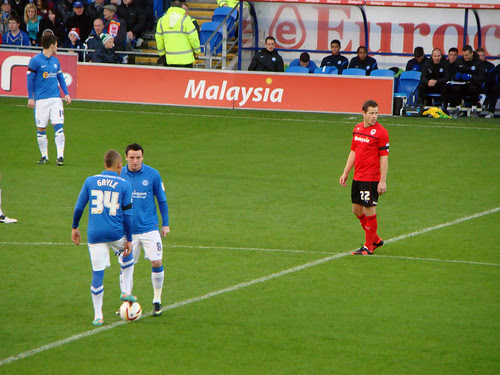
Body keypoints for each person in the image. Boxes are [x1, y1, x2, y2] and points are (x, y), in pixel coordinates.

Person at [72, 150, 137, 326]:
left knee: (97, 274)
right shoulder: (124, 185)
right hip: (116, 233)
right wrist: (129, 239)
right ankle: (125, 291)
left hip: (95, 234)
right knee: (127, 256)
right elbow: (127, 216)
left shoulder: (90, 181)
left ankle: (98, 315)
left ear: (104, 165)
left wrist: (75, 227)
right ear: (118, 166)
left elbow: (79, 207)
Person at [121, 143, 169, 316]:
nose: (135, 161)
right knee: (126, 267)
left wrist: (165, 224)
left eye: (138, 158)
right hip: (127, 232)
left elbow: (161, 200)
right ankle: (126, 303)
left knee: (156, 262)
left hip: (149, 228)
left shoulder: (153, 174)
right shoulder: (119, 175)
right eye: (132, 157)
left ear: (143, 157)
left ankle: (157, 300)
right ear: (126, 157)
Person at [339, 99, 389, 256]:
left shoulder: (381, 132)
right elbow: (353, 152)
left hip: (371, 178)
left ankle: (368, 247)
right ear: (364, 113)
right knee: (356, 209)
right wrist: (346, 172)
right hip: (358, 176)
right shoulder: (357, 129)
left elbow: (384, 157)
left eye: (376, 113)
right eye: (371, 113)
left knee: (369, 210)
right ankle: (375, 239)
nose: (375, 116)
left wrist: (382, 180)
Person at [27, 33, 71, 165]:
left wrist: (66, 94)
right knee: (41, 128)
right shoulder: (35, 61)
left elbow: (60, 78)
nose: (57, 47)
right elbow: (30, 80)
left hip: (56, 100)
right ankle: (45, 156)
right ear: (51, 46)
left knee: (59, 126)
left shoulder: (55, 61)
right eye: (56, 45)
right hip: (41, 101)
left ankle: (60, 156)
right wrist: (30, 98)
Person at [155, 0, 200, 68]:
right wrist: (197, 51)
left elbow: (159, 39)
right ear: (181, 8)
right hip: (186, 60)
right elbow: (194, 38)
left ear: (170, 7)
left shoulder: (161, 21)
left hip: (169, 59)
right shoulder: (186, 20)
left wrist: (162, 53)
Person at [449, 44, 485, 118]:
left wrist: (470, 77)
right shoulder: (459, 61)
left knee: (473, 88)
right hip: (462, 85)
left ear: (472, 53)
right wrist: (457, 76)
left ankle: (474, 109)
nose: (465, 57)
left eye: (467, 55)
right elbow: (454, 75)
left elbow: (481, 79)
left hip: (474, 85)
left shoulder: (479, 63)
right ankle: (458, 108)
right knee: (456, 88)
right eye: (464, 55)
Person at [476, 47, 497, 119]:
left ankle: (491, 112)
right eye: (479, 56)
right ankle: (474, 111)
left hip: (488, 87)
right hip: (477, 86)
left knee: (495, 89)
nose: (481, 57)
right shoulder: (474, 66)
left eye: (483, 55)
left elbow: (491, 79)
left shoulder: (490, 66)